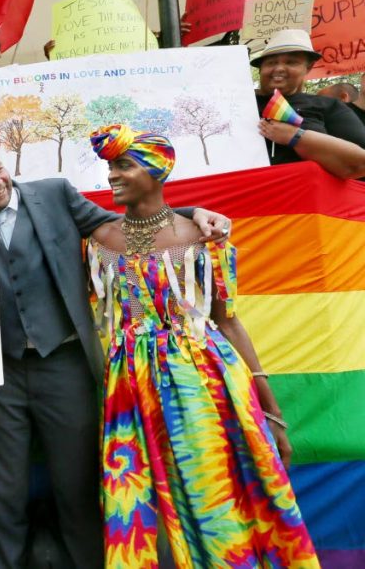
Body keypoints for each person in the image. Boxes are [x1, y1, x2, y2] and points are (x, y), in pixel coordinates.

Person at [0, 145, 230, 569]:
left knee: (77, 484)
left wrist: (193, 212)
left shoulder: (54, 194)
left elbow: (127, 225)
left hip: (64, 364)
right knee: (3, 490)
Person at [87, 124, 319, 567]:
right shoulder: (98, 241)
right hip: (127, 388)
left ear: (158, 172)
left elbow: (228, 322)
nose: (112, 176)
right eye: (110, 166)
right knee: (132, 497)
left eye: (123, 166)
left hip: (201, 380)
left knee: (212, 488)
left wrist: (270, 410)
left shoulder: (203, 238)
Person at [252, 29, 365, 179]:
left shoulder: (328, 106)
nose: (279, 68)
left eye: (291, 62)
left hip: (306, 199)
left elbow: (359, 164)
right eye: (271, 62)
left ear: (308, 68)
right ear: (260, 69)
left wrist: (295, 137)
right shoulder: (240, 102)